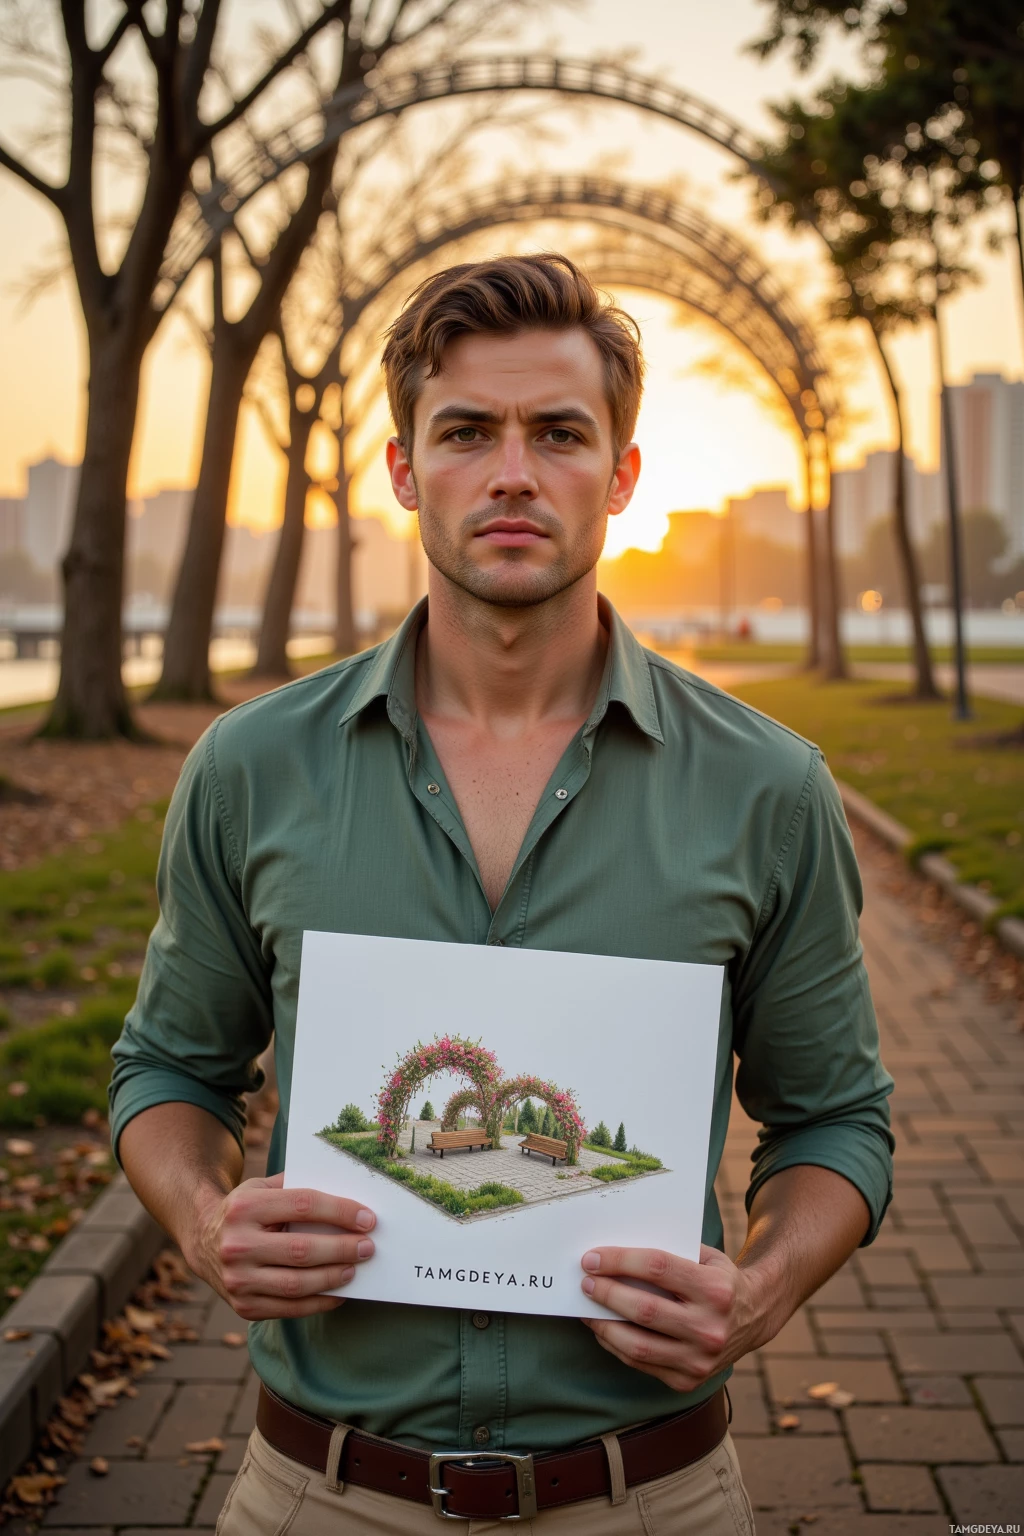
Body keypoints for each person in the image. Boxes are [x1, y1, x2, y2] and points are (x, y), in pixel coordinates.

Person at [111, 253, 893, 1533]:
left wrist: (759, 1295)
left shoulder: (767, 788)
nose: (514, 472)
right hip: (319, 1493)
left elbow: (837, 1119)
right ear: (406, 471)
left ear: (623, 476)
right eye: (467, 431)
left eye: (560, 433)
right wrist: (203, 1222)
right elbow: (168, 1071)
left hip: (653, 1495)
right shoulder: (250, 769)